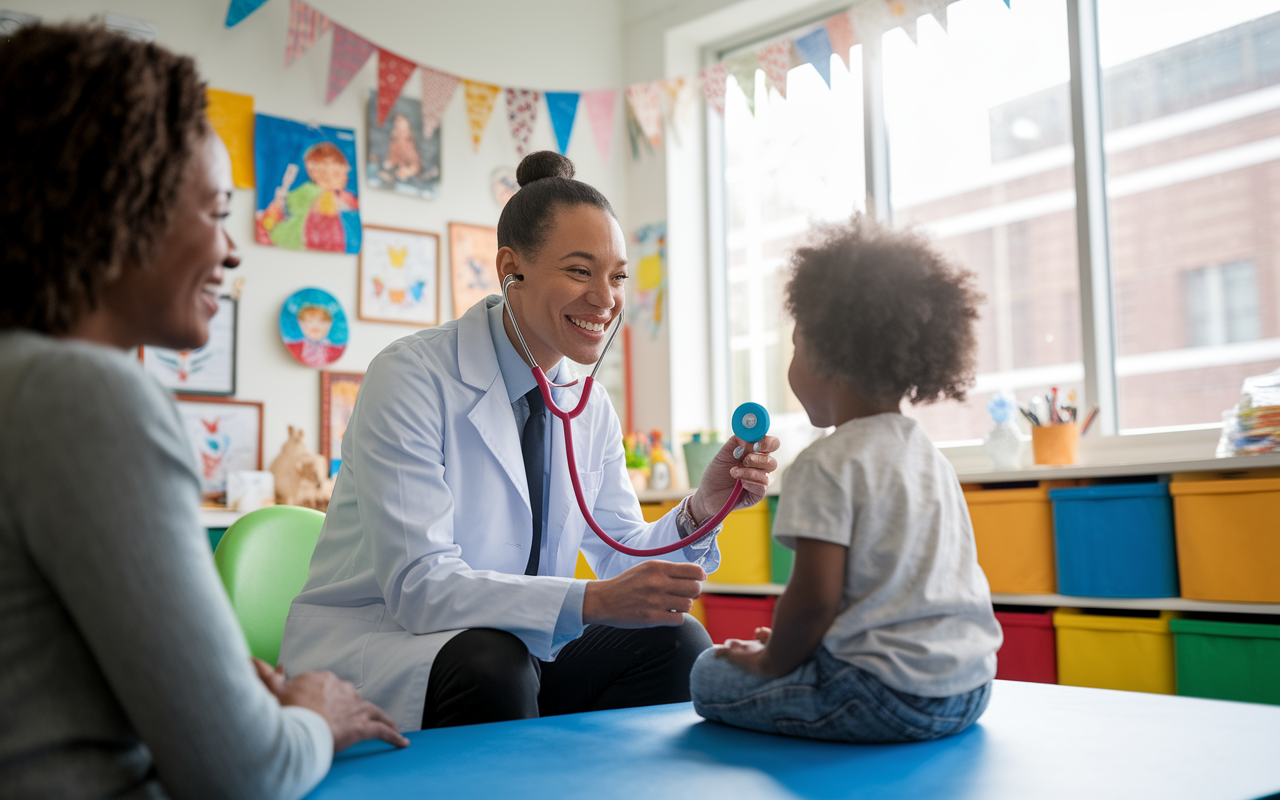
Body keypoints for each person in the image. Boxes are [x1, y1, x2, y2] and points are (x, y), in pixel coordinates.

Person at [0, 24, 406, 799]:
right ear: (124, 205)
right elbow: (245, 773)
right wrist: (313, 710)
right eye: (217, 212)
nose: (231, 251)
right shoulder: (84, 397)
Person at [280, 151, 781, 732]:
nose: (606, 298)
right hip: (386, 644)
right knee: (495, 663)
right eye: (579, 270)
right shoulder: (411, 375)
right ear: (510, 268)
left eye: (617, 276)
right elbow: (417, 586)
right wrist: (591, 602)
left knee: (675, 638)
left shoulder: (586, 401)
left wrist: (703, 506)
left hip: (515, 643)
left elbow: (622, 552)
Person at [689, 215, 1003, 743]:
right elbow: (901, 590)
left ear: (825, 353)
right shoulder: (929, 457)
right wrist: (804, 647)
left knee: (706, 674)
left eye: (794, 346)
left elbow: (813, 600)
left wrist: (772, 661)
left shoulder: (826, 462)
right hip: (968, 688)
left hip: (881, 696)